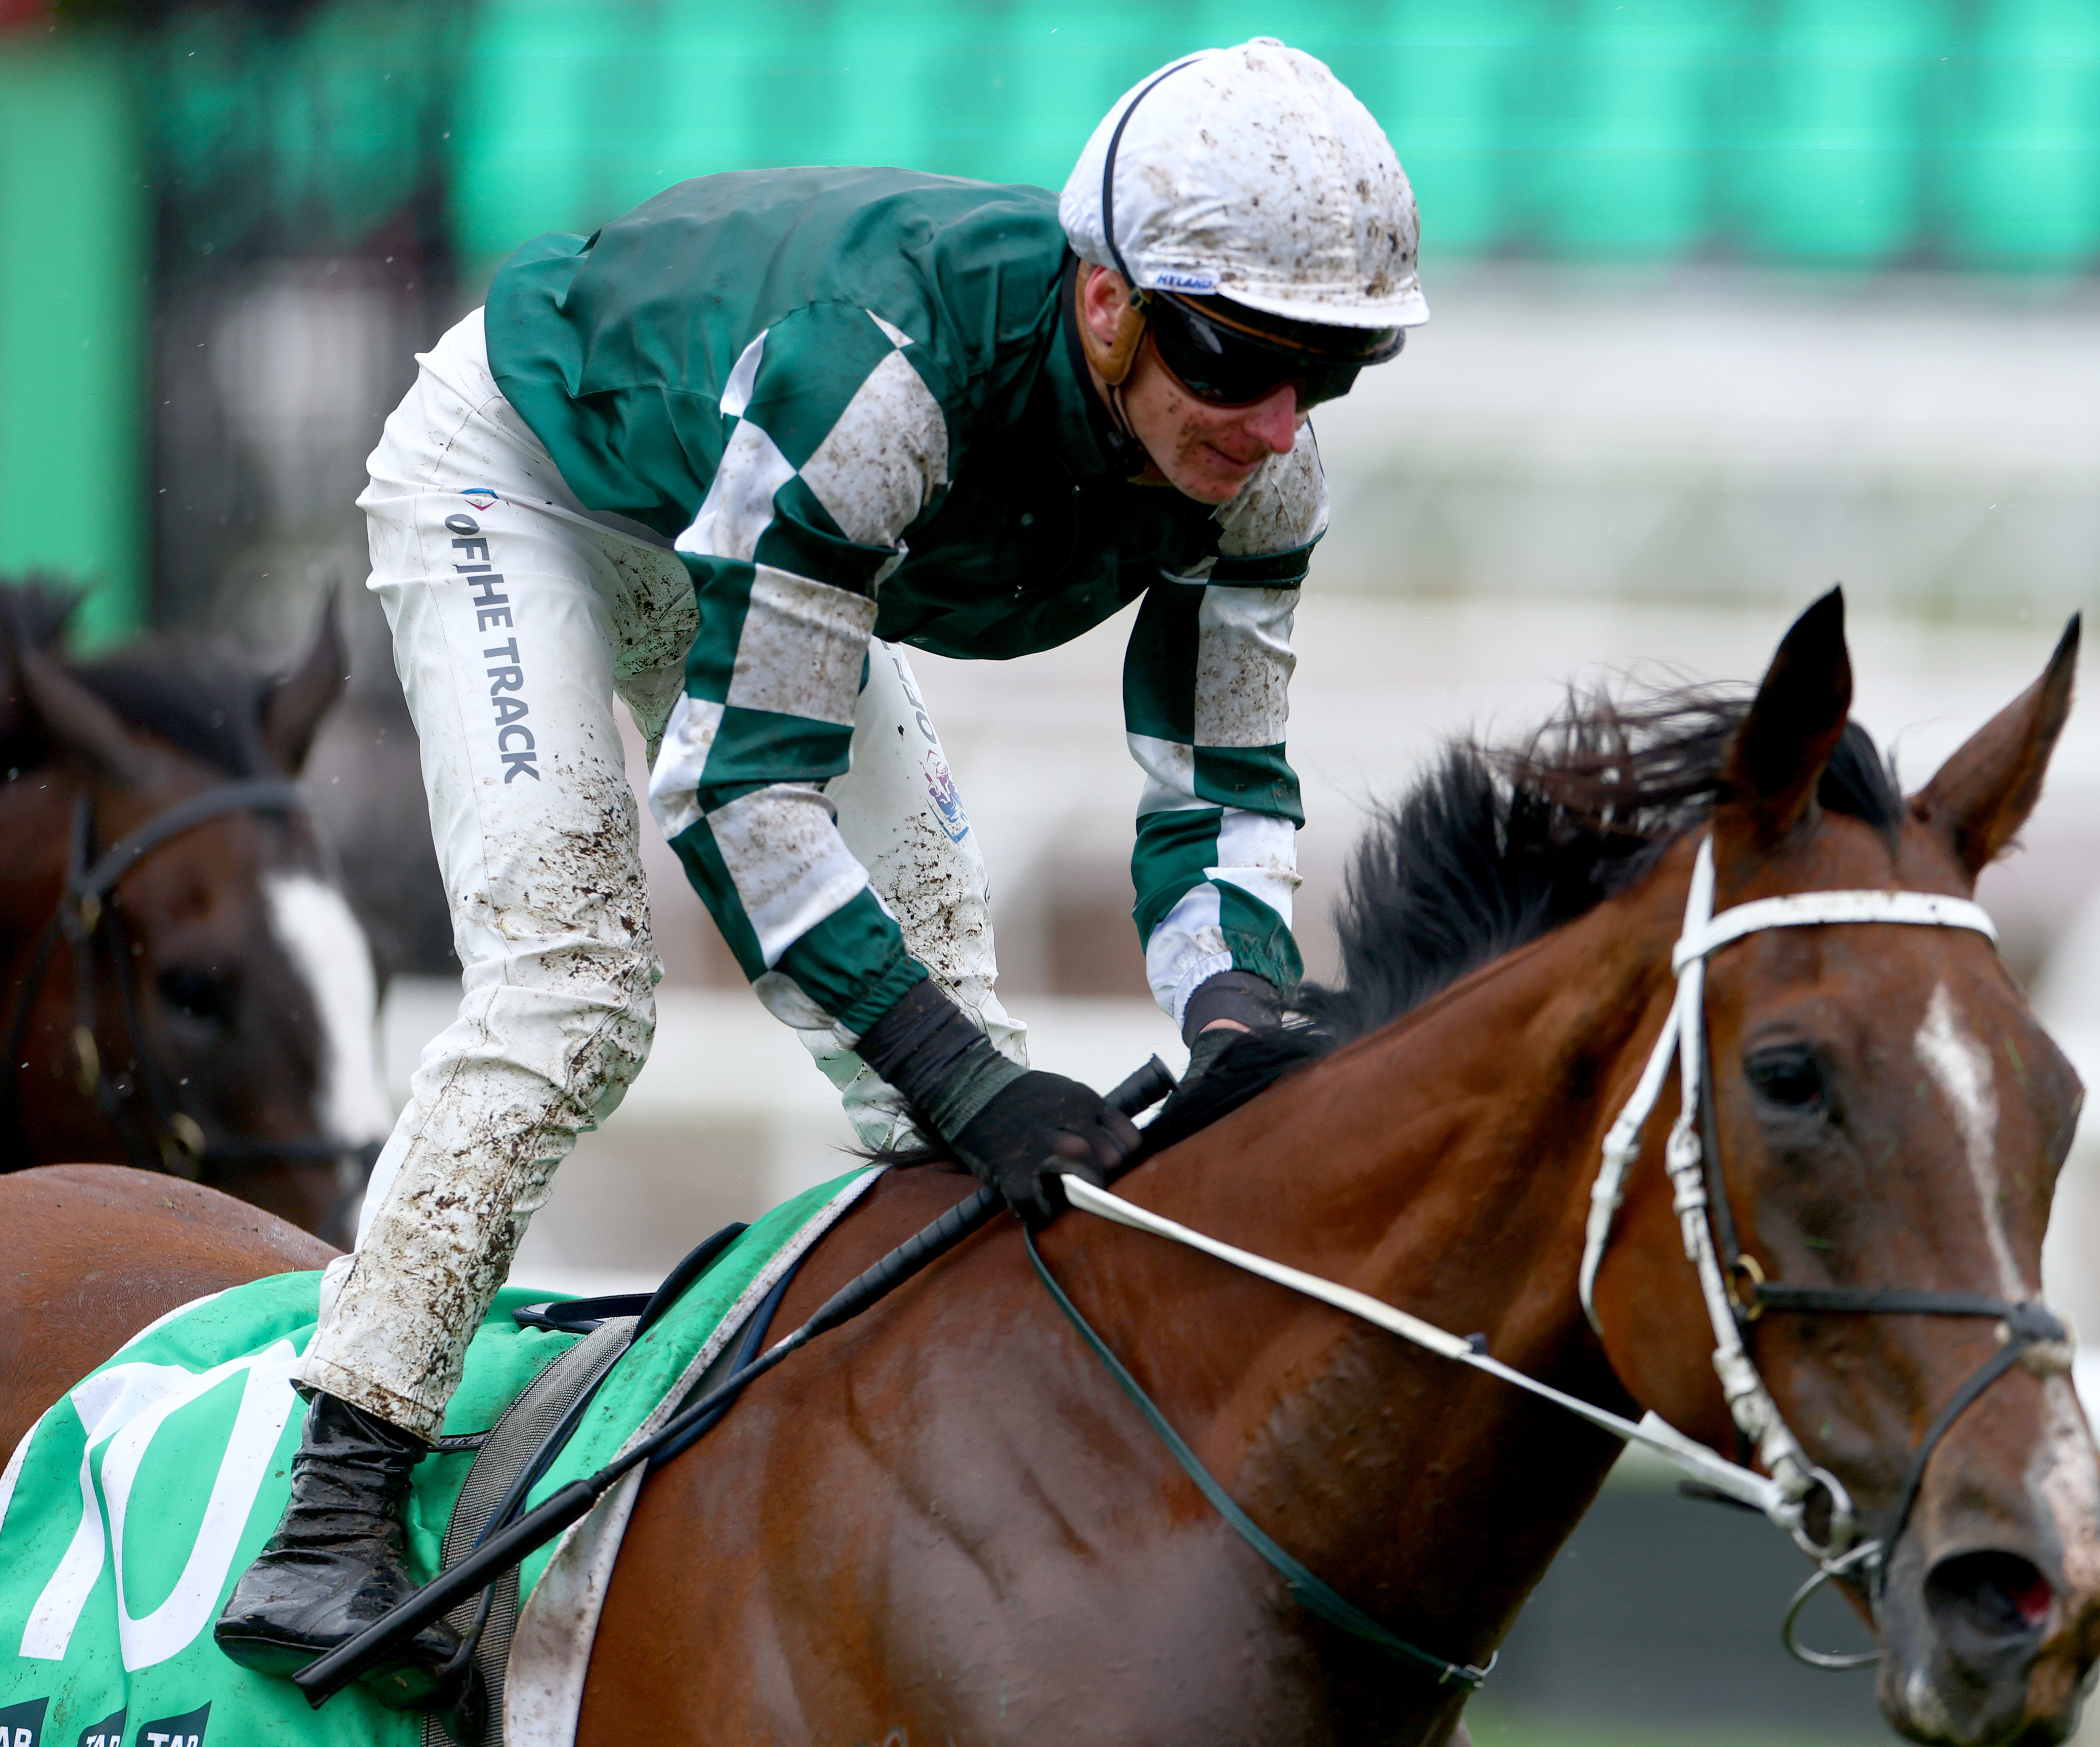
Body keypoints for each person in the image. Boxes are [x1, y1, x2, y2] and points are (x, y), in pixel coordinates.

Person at [216, 38, 1427, 1692]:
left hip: (748, 514)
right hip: (533, 480)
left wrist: (1233, 1006)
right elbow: (738, 800)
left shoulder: (1262, 467)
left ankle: (917, 1489)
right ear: (1106, 305)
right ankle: (332, 1502)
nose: (1277, 420)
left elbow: (1224, 780)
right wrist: (962, 1082)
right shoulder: (882, 391)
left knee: (952, 1002)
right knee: (579, 992)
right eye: (1238, 357)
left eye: (1331, 371)